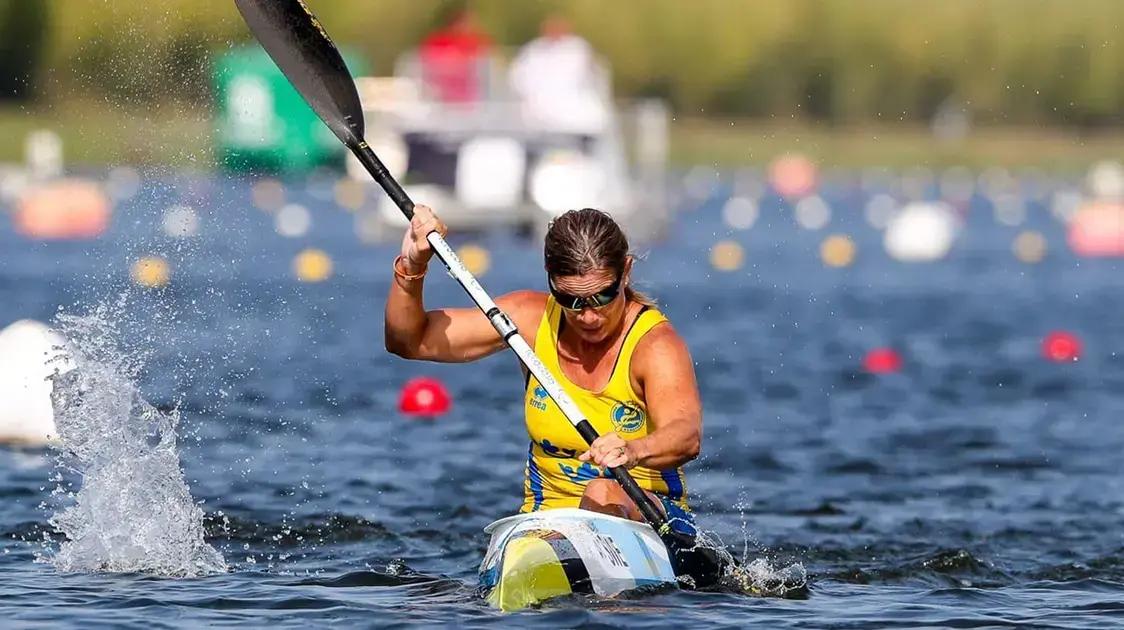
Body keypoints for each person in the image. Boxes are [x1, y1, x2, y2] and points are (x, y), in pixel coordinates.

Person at [385, 205, 702, 534]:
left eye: (602, 296)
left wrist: (635, 450)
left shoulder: (654, 345)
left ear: (626, 272)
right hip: (548, 524)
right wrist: (412, 266)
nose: (588, 317)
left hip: (653, 523)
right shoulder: (529, 321)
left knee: (602, 491)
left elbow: (686, 436)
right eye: (571, 300)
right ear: (550, 278)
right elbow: (410, 341)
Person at [508, 15, 609, 134]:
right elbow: (518, 78)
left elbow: (590, 74)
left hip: (575, 114)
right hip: (539, 113)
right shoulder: (534, 50)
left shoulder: (577, 48)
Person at [418, 8, 492, 103]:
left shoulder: (475, 41)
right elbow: (427, 59)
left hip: (468, 95)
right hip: (443, 93)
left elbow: (485, 60)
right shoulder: (439, 41)